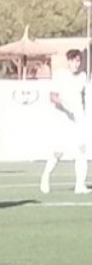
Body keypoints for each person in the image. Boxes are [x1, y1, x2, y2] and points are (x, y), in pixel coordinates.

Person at [40, 49, 90, 194]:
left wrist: (81, 113)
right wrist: (65, 105)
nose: (77, 64)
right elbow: (52, 96)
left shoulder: (82, 76)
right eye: (74, 61)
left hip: (78, 118)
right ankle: (46, 176)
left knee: (81, 150)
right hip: (63, 118)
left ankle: (80, 185)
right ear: (68, 61)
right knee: (58, 151)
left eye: (79, 61)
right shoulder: (60, 75)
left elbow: (82, 97)